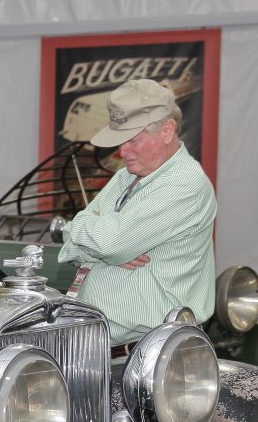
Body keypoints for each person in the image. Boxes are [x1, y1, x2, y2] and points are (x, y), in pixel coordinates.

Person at [57, 78, 216, 345]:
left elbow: (111, 243)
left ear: (167, 131)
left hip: (150, 352)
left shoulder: (184, 183)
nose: (122, 151)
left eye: (132, 139)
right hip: (99, 345)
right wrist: (103, 247)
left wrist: (102, 241)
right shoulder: (125, 177)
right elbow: (71, 239)